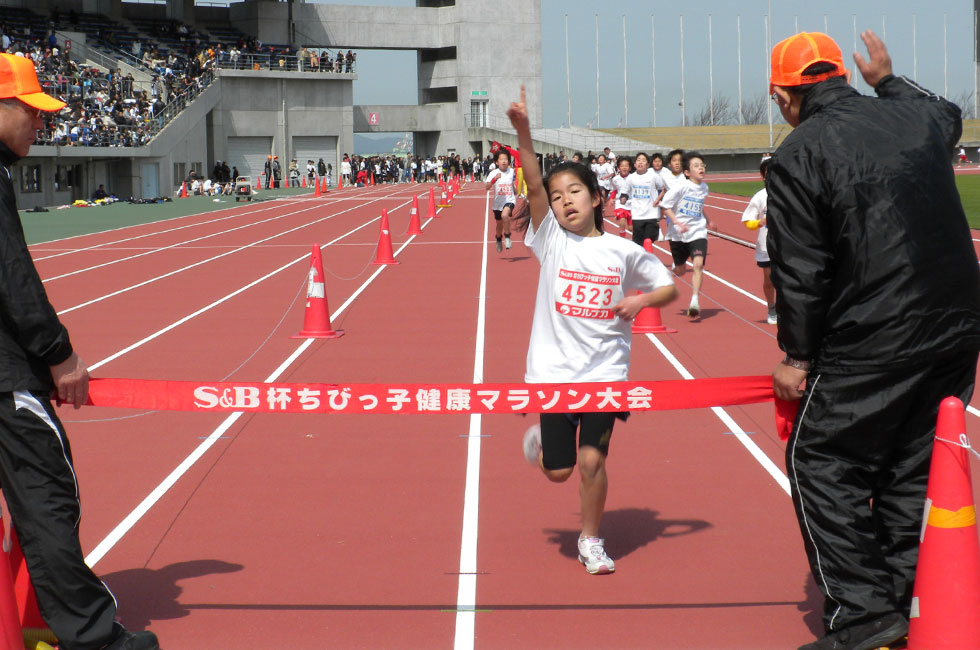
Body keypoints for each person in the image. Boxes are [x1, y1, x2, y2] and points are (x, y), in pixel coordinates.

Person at [767, 31, 980, 650]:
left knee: (820, 460)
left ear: (784, 95)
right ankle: (902, 596)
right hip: (957, 324)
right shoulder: (911, 116)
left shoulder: (798, 153)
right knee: (911, 462)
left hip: (877, 329)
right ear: (844, 76)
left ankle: (863, 614)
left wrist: (796, 357)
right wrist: (888, 79)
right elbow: (948, 114)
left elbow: (801, 268)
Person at [0, 53, 160, 650]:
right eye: (29, 112)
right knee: (47, 498)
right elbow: (12, 276)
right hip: (7, 377)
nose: (39, 126)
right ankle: (94, 639)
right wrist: (58, 354)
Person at [508, 86, 677, 575]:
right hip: (552, 372)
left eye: (574, 192)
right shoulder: (550, 242)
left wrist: (642, 299)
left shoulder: (622, 251)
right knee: (559, 472)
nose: (563, 202)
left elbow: (666, 288)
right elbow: (534, 187)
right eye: (557, 198)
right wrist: (523, 131)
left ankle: (591, 539)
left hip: (605, 373)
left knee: (591, 463)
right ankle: (541, 447)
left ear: (597, 196)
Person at [659, 151, 715, 320]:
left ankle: (694, 301)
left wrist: (708, 220)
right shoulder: (680, 187)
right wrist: (677, 222)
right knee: (681, 270)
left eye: (702, 165)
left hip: (697, 232)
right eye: (696, 166)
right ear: (687, 172)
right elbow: (665, 207)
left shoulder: (704, 188)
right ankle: (664, 278)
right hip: (678, 234)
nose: (701, 168)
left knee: (698, 265)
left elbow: (699, 207)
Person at [740, 154, 777, 325]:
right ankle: (771, 308)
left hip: (788, 246)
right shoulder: (760, 196)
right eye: (769, 173)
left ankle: (787, 309)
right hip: (766, 245)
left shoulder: (790, 194)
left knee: (787, 280)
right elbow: (748, 221)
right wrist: (761, 222)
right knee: (769, 279)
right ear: (763, 176)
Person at [625, 152, 667, 248]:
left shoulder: (653, 176)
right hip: (637, 215)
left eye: (643, 160)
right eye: (638, 160)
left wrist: (658, 200)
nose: (640, 162)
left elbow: (664, 188)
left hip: (651, 214)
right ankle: (643, 260)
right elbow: (625, 192)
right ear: (635, 164)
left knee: (648, 240)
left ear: (648, 165)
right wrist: (624, 198)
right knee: (638, 244)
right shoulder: (631, 178)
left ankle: (648, 258)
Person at [484, 148, 517, 253]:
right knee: (499, 225)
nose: (504, 161)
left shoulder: (512, 171)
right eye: (501, 159)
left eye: (506, 159)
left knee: (505, 215)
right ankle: (499, 239)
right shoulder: (494, 173)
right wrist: (495, 179)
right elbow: (487, 187)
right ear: (496, 162)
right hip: (498, 203)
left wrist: (515, 189)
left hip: (510, 200)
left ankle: (507, 237)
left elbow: (514, 187)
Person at [609, 155, 632, 238]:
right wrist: (611, 198)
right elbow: (614, 190)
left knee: (631, 228)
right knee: (622, 221)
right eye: (622, 166)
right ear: (619, 167)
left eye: (626, 166)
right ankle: (623, 239)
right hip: (620, 204)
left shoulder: (633, 178)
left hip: (631, 204)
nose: (624, 168)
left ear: (630, 168)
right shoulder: (615, 179)